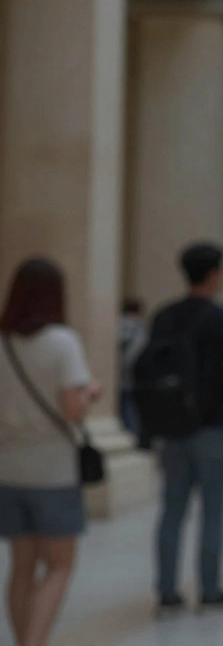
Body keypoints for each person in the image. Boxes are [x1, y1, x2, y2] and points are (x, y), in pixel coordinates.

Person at [151, 243, 223, 614]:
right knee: (212, 511)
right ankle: (209, 589)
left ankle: (167, 590)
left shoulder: (163, 318)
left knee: (171, 511)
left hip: (173, 429)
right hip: (214, 428)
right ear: (214, 274)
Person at [0, 259, 100, 646]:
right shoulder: (62, 341)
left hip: (7, 469)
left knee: (21, 567)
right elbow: (73, 410)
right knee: (59, 565)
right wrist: (90, 392)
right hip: (53, 471)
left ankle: (23, 637)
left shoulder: (4, 341)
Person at [118, 297, 149, 448]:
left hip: (120, 377)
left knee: (124, 409)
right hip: (137, 377)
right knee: (133, 410)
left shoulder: (118, 325)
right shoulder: (141, 328)